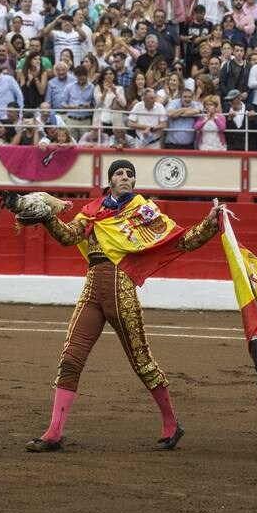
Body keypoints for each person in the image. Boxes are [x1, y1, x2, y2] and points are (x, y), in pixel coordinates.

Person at [20, 160, 224, 452]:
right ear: (110, 181)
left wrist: (210, 223)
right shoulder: (92, 211)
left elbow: (184, 240)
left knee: (141, 361)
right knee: (70, 357)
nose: (125, 177)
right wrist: (48, 218)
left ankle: (171, 424)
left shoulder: (145, 212)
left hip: (121, 289)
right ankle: (54, 432)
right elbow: (67, 237)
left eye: (130, 174)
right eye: (120, 173)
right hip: (92, 289)